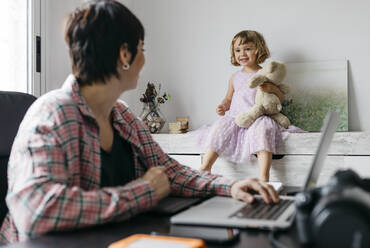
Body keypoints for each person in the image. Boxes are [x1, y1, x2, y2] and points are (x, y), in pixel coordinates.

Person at [0, 1, 279, 244]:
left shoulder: (122, 115)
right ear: (125, 54)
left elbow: (168, 172)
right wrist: (143, 192)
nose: (143, 59)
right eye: (141, 48)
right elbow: (36, 212)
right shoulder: (53, 115)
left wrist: (230, 186)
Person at [197, 30, 302, 181]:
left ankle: (263, 176)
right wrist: (223, 106)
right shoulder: (235, 77)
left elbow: (281, 98)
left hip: (258, 116)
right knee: (219, 128)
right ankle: (206, 166)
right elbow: (228, 98)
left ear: (258, 49)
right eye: (238, 50)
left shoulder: (265, 74)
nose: (242, 54)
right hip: (236, 117)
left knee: (263, 131)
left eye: (248, 49)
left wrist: (273, 89)